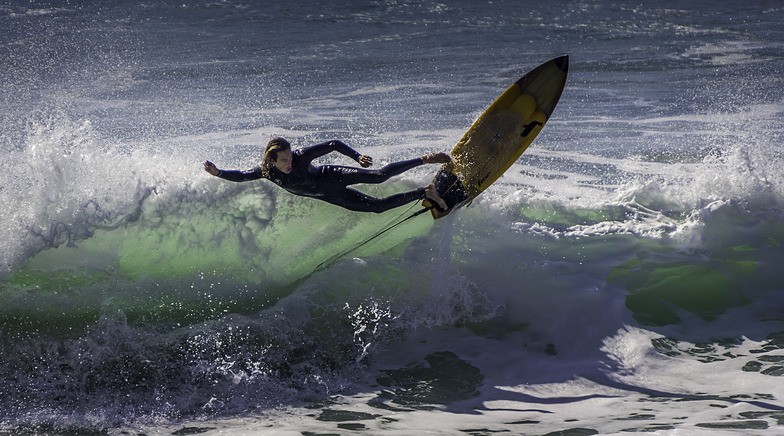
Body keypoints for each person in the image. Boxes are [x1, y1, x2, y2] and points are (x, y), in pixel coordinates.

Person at [204, 137, 450, 213]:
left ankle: (425, 159)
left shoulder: (300, 157)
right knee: (377, 208)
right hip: (329, 196)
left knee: (377, 176)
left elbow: (333, 144)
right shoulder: (266, 172)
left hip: (332, 177)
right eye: (284, 160)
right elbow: (242, 176)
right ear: (272, 161)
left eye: (290, 157)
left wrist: (356, 157)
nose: (290, 162)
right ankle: (425, 193)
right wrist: (219, 173)